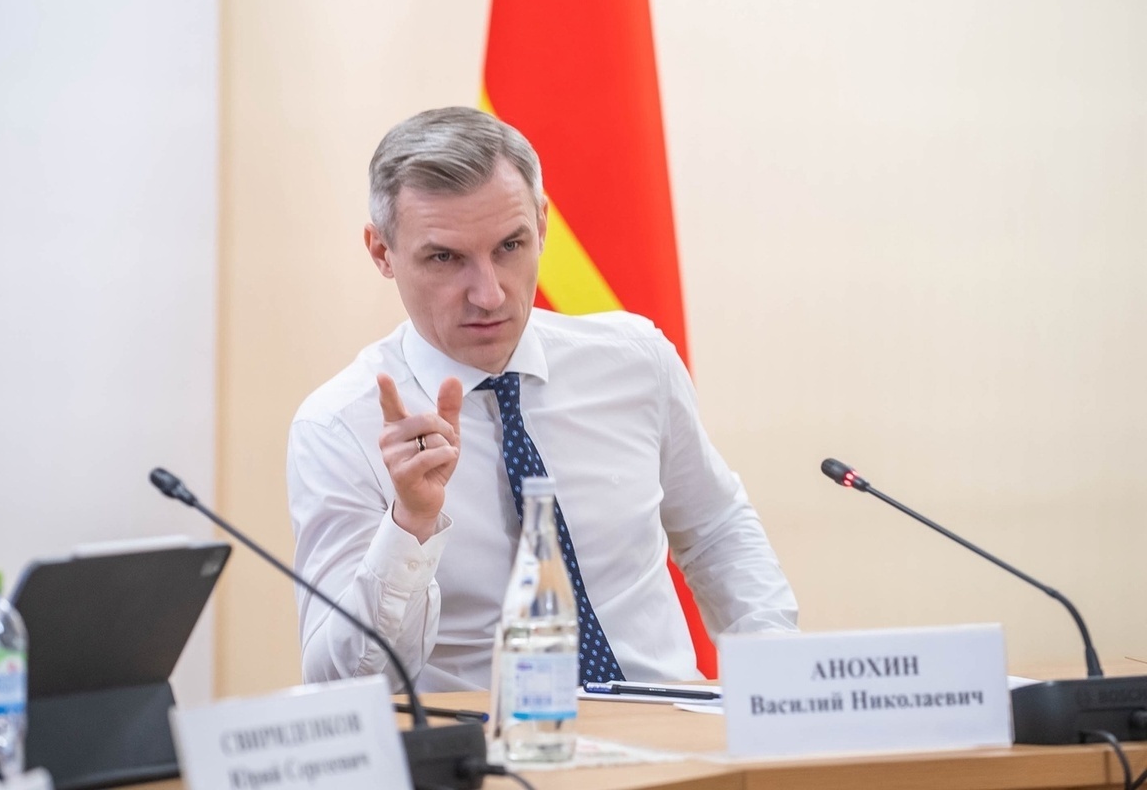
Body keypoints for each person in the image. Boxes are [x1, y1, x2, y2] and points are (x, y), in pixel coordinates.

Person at [288, 106, 797, 692]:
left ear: (543, 224)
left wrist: (776, 674)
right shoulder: (339, 426)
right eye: (445, 258)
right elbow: (338, 678)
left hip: (668, 724)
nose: (488, 294)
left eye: (510, 245)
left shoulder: (635, 361)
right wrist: (411, 526)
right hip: (488, 742)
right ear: (381, 252)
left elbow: (715, 530)